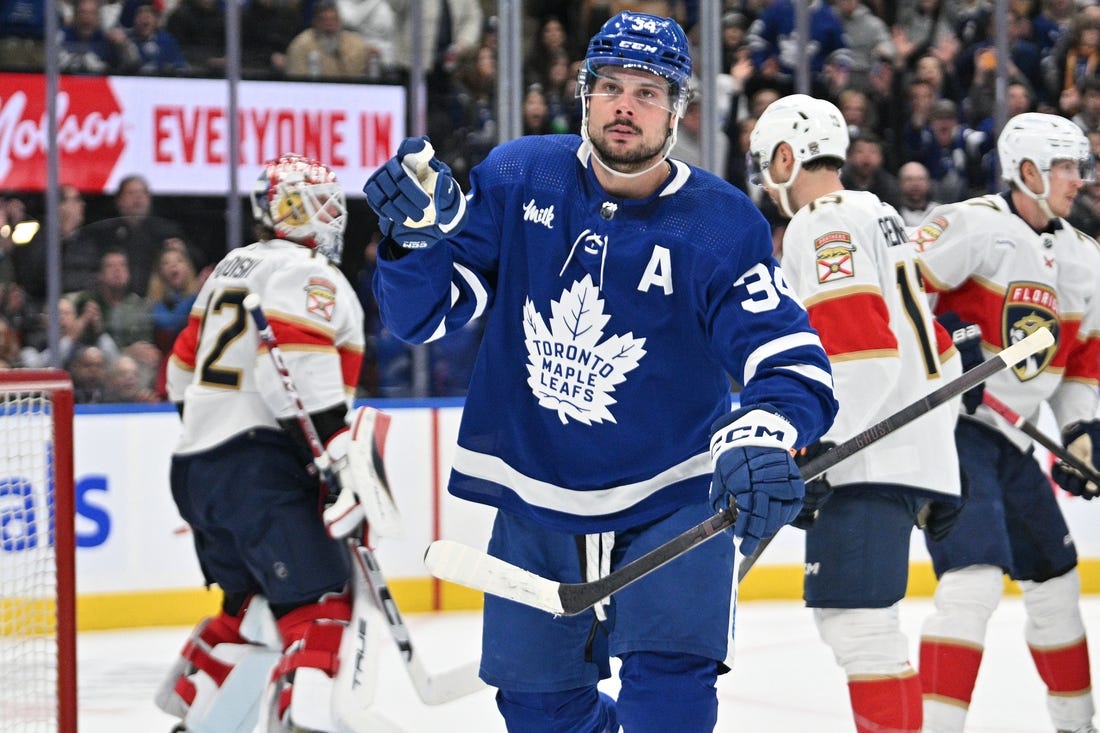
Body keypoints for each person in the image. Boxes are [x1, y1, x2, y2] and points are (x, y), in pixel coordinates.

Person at [364, 11, 837, 732]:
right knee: (539, 709)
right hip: (536, 491)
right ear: (583, 94)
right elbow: (423, 318)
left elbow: (786, 355)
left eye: (648, 92)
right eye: (610, 86)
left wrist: (766, 431)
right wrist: (412, 244)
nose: (625, 105)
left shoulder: (719, 223)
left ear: (678, 110)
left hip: (673, 492)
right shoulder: (520, 174)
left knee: (669, 701)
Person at [749, 93, 965, 733]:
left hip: (866, 451)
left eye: (766, 165)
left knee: (859, 626)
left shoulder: (820, 221)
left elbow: (863, 351)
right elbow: (940, 352)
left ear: (787, 158)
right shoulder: (881, 213)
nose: (767, 182)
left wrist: (815, 450)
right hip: (904, 444)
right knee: (862, 625)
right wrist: (939, 450)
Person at [160, 154, 371, 732]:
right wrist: (334, 461)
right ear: (282, 210)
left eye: (332, 200)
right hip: (261, 468)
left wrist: (215, 428)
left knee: (250, 603)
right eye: (315, 201)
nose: (329, 213)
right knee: (320, 602)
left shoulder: (231, 267)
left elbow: (178, 376)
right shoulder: (308, 272)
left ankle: (198, 718)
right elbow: (295, 380)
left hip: (197, 467)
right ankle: (303, 723)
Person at [909, 111, 1100, 733]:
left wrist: (1080, 434)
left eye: (1079, 165)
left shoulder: (1084, 257)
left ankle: (1078, 725)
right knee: (974, 583)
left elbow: (1081, 370)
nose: (1080, 178)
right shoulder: (972, 224)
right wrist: (951, 339)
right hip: (954, 430)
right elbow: (901, 284)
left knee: (1057, 586)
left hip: (1014, 437)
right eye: (1067, 166)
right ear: (1026, 171)